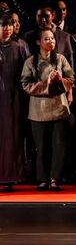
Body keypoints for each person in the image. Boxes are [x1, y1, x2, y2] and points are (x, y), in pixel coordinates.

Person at [21, 27, 74, 191]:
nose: (51, 41)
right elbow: (26, 85)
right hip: (39, 111)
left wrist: (60, 80)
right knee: (41, 147)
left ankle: (55, 178)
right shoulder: (31, 62)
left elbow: (71, 78)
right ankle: (43, 179)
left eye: (52, 38)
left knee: (59, 146)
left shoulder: (60, 59)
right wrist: (47, 83)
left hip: (59, 108)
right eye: (46, 39)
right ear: (38, 42)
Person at [0, 14, 26, 191]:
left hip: (13, 96)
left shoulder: (18, 47)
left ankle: (10, 176)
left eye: (9, 25)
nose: (8, 28)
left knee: (12, 135)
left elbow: (24, 74)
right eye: (3, 25)